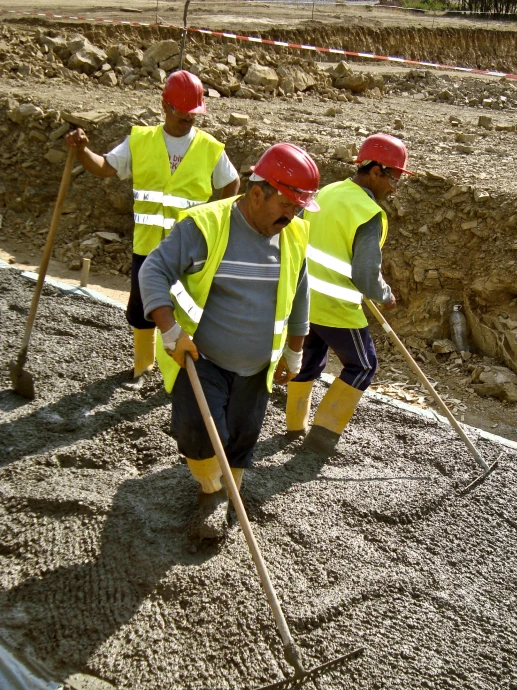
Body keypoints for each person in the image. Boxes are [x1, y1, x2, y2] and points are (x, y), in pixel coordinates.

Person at [139, 143, 320, 539]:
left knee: (242, 434)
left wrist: (294, 350)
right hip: (202, 358)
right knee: (200, 432)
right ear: (257, 194)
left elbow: (301, 292)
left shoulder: (294, 235)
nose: (294, 214)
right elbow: (153, 270)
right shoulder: (206, 226)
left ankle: (230, 490)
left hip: (257, 367)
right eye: (288, 204)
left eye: (299, 206)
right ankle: (211, 494)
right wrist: (170, 331)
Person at [65, 70, 240, 385]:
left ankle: (182, 369)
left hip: (190, 251)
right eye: (180, 111)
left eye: (192, 113)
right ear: (164, 105)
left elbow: (231, 183)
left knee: (189, 309)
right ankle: (144, 365)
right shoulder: (141, 140)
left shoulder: (210, 148)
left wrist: (220, 221)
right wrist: (81, 151)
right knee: (142, 308)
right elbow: (105, 166)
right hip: (147, 247)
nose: (187, 117)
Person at [286, 133, 414, 456]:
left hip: (302, 301)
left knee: (308, 359)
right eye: (393, 177)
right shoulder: (368, 214)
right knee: (363, 365)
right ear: (375, 171)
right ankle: (321, 438)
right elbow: (365, 274)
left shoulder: (326, 193)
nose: (394, 187)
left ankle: (293, 426)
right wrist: (384, 295)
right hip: (338, 309)